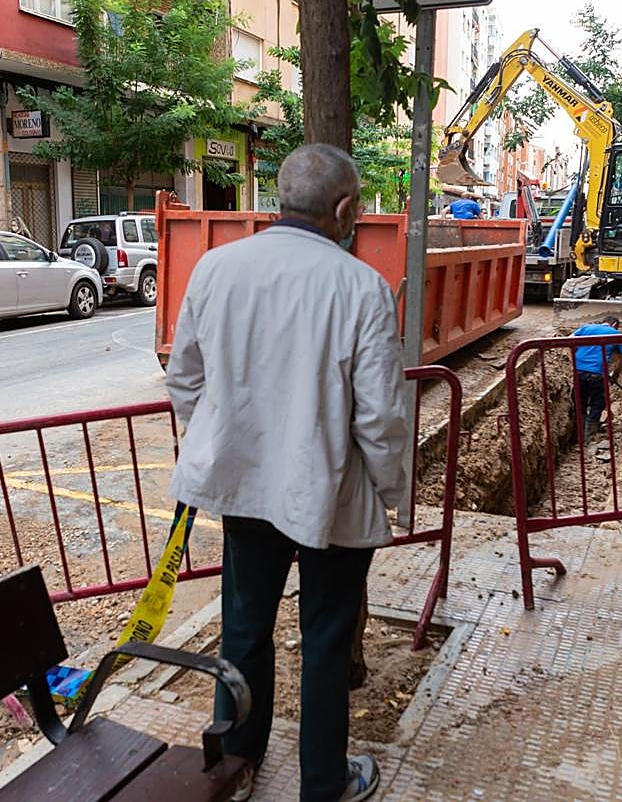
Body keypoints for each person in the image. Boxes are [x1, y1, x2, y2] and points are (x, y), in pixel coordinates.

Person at [166, 144, 408, 802]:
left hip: (246, 491)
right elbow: (381, 416)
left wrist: (225, 440)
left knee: (244, 630)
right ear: (344, 209)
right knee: (326, 639)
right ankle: (323, 784)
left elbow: (184, 377)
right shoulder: (360, 286)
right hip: (332, 495)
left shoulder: (215, 268)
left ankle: (237, 766)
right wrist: (397, 495)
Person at [572, 315, 622, 441]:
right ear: (614, 324)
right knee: (597, 403)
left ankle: (579, 436)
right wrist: (615, 374)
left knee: (580, 402)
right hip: (597, 373)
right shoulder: (616, 333)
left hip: (579, 371)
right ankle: (588, 438)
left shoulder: (586, 328)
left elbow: (569, 340)